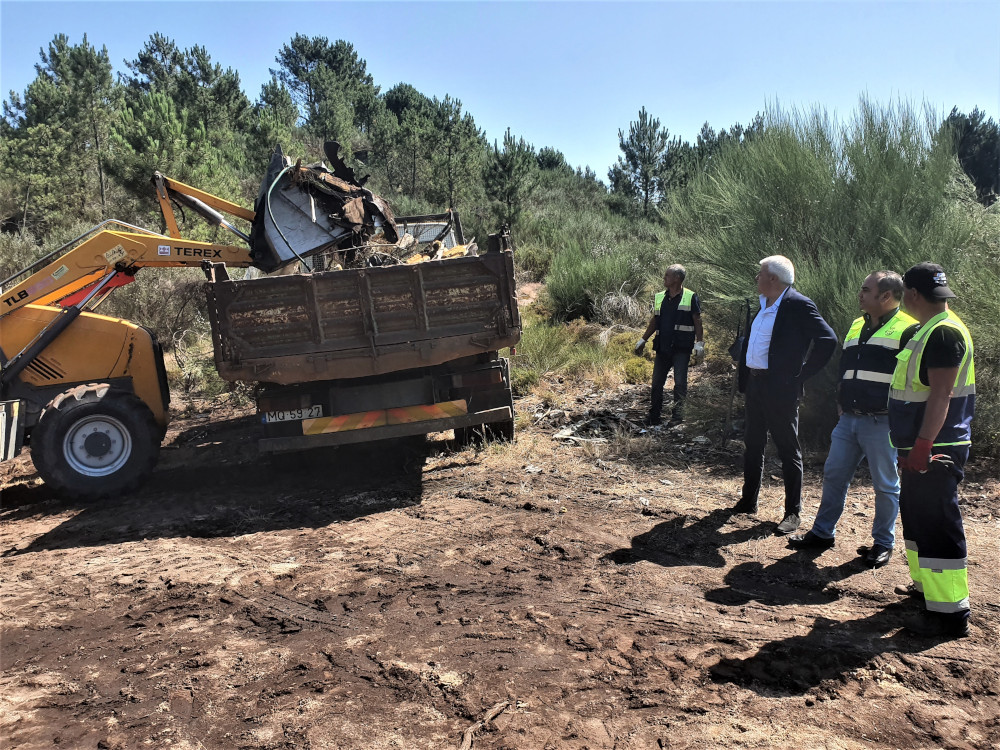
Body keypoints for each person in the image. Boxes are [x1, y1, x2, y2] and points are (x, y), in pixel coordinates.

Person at [788, 271, 917, 566]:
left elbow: (912, 380)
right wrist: (839, 400)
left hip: (882, 422)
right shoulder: (857, 324)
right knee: (834, 475)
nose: (860, 294)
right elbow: (846, 367)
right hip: (849, 419)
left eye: (865, 289)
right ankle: (822, 533)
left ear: (885, 296)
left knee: (885, 486)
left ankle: (883, 543)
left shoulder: (908, 329)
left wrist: (903, 419)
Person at [889, 262, 975, 639]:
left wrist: (922, 446)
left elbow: (942, 394)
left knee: (937, 523)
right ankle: (926, 592)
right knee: (918, 517)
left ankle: (949, 615)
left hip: (937, 447)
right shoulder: (927, 328)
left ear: (911, 295)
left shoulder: (943, 333)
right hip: (918, 446)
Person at [732, 255, 837, 535]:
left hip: (780, 390)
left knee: (788, 449)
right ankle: (748, 501)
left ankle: (793, 512)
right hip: (755, 385)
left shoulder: (797, 304)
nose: (756, 278)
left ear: (773, 279)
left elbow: (828, 339)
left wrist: (802, 373)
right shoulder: (764, 302)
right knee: (752, 444)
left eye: (760, 274)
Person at [634, 264, 704, 426]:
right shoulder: (660, 297)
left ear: (677, 279)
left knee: (680, 384)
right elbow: (655, 320)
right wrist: (643, 339)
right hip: (662, 347)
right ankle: (654, 416)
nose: (664, 278)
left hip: (681, 348)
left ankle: (678, 417)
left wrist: (699, 342)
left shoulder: (690, 296)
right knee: (657, 383)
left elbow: (697, 321)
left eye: (667, 275)